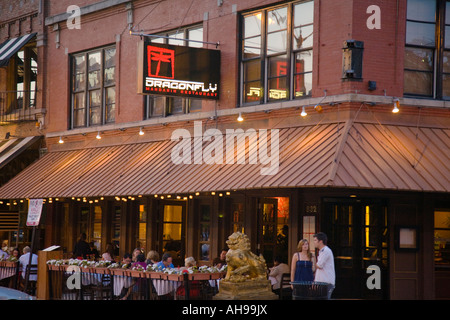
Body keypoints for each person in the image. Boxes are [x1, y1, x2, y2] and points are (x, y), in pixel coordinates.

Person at [313, 232, 335, 299]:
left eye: (315, 240)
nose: (314, 242)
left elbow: (319, 265)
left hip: (326, 282)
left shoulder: (326, 251)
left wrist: (312, 262)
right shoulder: (321, 251)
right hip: (321, 282)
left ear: (321, 241)